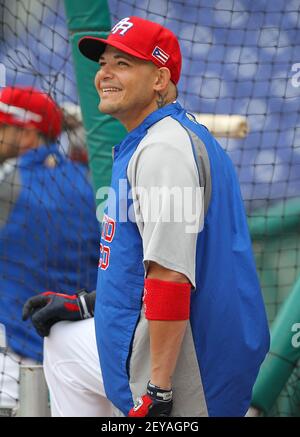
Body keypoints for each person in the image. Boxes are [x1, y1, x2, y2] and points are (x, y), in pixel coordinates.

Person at [24, 16, 270, 417]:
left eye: (123, 64)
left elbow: (170, 275)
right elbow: (149, 257)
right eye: (103, 63)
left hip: (194, 367)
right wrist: (91, 305)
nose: (104, 73)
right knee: (64, 345)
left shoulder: (163, 150)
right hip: (179, 337)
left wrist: (159, 390)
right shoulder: (155, 138)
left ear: (159, 79)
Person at [0, 86, 99, 409]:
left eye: (3, 128)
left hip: (9, 353)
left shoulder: (10, 177)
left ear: (29, 134)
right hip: (73, 354)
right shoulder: (88, 179)